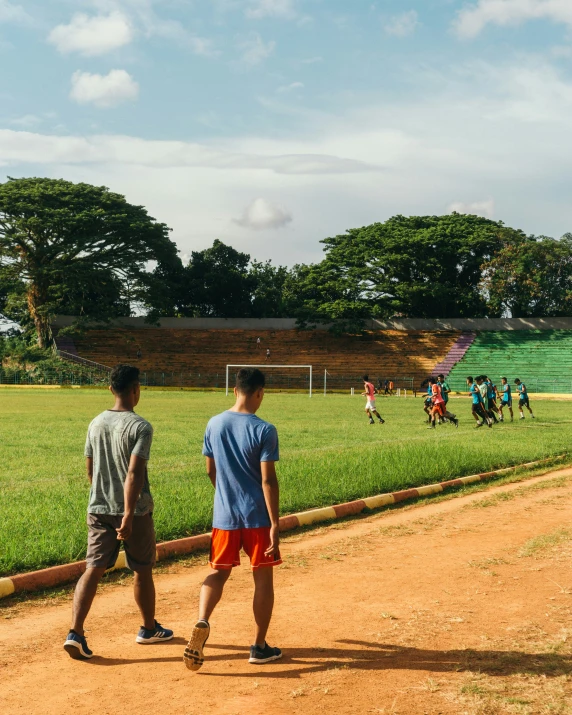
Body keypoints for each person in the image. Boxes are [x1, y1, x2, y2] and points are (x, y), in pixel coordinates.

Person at [64, 365, 173, 660]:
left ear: (111, 389)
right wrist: (126, 514)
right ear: (136, 389)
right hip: (134, 512)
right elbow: (134, 474)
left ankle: (75, 632)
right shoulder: (141, 427)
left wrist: (103, 498)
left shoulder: (95, 423)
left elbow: (90, 466)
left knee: (94, 568)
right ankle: (148, 629)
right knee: (142, 568)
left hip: (98, 508)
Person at [184, 368, 282, 672]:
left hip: (224, 516)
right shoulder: (264, 429)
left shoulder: (214, 423)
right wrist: (275, 523)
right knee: (262, 578)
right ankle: (259, 646)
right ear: (259, 393)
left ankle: (202, 618)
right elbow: (268, 481)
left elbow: (209, 470)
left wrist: (226, 494)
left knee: (218, 571)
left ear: (234, 389)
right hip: (257, 518)